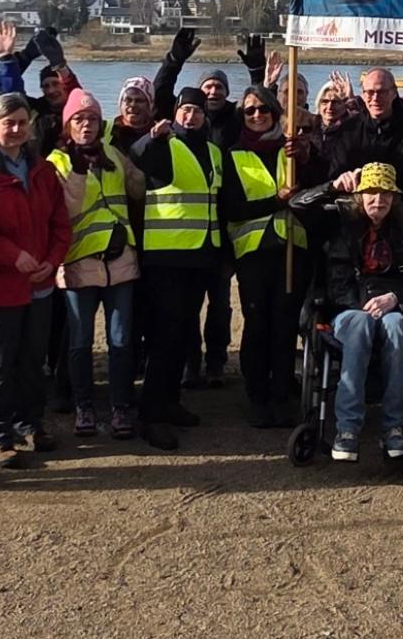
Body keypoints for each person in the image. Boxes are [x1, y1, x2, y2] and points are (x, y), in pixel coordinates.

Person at [289, 164, 403, 462]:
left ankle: (395, 425)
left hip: (392, 312)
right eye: (370, 192)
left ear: (394, 198)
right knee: (359, 325)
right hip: (347, 309)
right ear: (359, 195)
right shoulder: (337, 220)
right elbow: (296, 204)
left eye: (385, 194)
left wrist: (394, 298)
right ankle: (347, 428)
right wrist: (331, 187)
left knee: (396, 326)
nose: (377, 200)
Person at [129, 88, 249, 449]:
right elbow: (137, 157)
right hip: (165, 258)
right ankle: (151, 415)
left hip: (201, 257)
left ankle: (170, 403)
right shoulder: (164, 145)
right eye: (185, 110)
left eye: (197, 111)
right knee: (164, 339)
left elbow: (218, 203)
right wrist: (151, 136)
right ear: (176, 114)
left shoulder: (213, 151)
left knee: (183, 336)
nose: (191, 116)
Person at [0, 93, 73, 468]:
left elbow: (60, 223)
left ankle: (30, 422)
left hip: (39, 283)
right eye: (8, 122)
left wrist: (52, 260)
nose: (17, 129)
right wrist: (14, 256)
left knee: (32, 359)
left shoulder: (42, 171)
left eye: (23, 122)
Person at [49, 89, 144, 440]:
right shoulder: (56, 162)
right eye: (78, 120)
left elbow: (137, 192)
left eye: (91, 119)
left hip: (120, 262)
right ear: (68, 126)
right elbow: (67, 208)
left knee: (121, 340)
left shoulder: (114, 156)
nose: (86, 125)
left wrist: (141, 153)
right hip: (79, 262)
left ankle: (121, 407)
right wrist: (77, 169)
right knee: (80, 341)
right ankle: (83, 406)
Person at [227, 87, 306, 428]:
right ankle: (257, 395)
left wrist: (304, 156)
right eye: (250, 111)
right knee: (258, 325)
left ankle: (282, 393)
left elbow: (314, 185)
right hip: (254, 253)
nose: (257, 115)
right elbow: (232, 208)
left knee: (285, 325)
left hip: (291, 249)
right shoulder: (232, 156)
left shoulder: (290, 151)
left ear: (275, 112)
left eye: (263, 109)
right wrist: (275, 201)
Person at [309, 69, 403, 214]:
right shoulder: (348, 130)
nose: (375, 98)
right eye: (369, 92)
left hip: (400, 223)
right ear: (362, 94)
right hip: (355, 220)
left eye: (381, 92)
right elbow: (333, 177)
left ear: (394, 93)